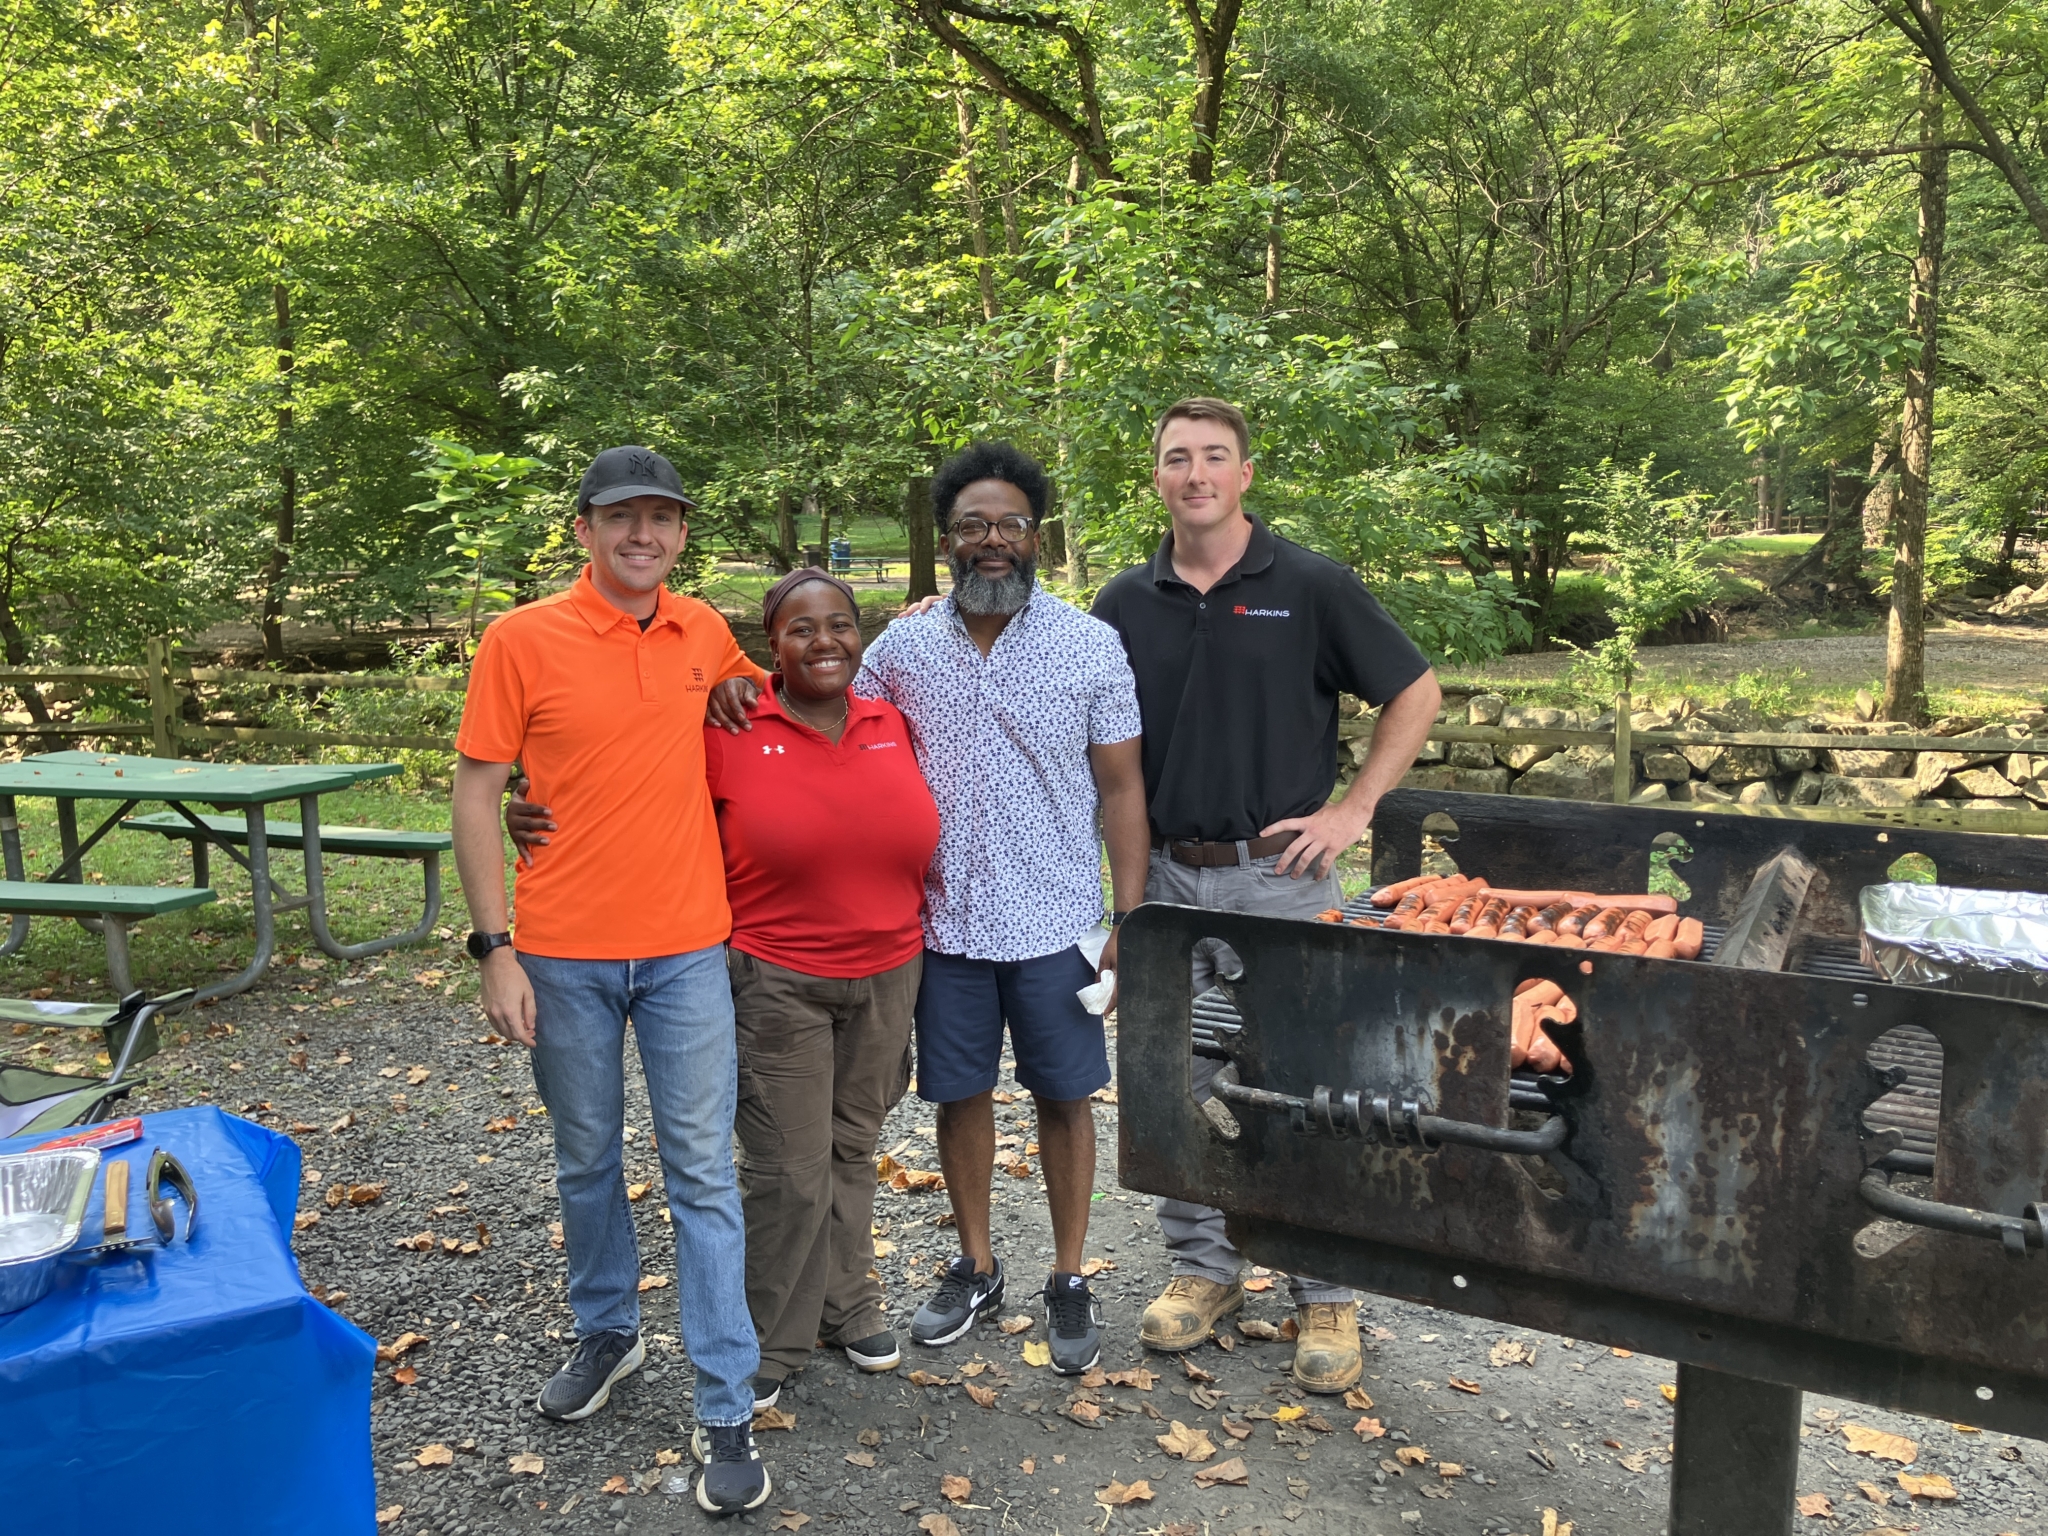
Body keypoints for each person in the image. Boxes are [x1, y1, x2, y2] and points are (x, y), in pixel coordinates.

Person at [506, 569, 941, 1409]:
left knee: (853, 1144)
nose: (825, 642)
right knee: (787, 1162)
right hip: (775, 972)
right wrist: (527, 806)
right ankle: (770, 1335)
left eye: (842, 625)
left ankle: (847, 1304)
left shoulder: (893, 720)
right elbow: (623, 789)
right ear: (768, 648)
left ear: (864, 634)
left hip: (890, 965)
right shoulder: (731, 724)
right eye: (802, 629)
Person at [1091, 398, 1441, 1395]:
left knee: (1302, 1080)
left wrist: (1353, 810)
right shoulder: (1124, 601)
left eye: (1212, 457)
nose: (1193, 473)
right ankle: (1205, 1269)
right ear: (1155, 476)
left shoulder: (1309, 585)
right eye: (1174, 458)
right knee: (1180, 1079)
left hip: (1279, 876)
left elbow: (1413, 692)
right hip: (1163, 876)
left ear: (1244, 473)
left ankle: (1322, 1288)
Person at [449, 444, 775, 1516]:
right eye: (621, 518)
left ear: (681, 534)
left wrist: (739, 683)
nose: (644, 536)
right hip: (561, 952)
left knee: (701, 1176)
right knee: (584, 1157)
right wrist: (493, 945)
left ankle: (724, 1400)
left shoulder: (705, 633)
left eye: (663, 519)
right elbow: (479, 785)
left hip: (686, 947)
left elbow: (781, 704)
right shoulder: (520, 637)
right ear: (583, 529)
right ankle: (609, 1332)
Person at [858, 441, 1150, 1376]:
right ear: (947, 540)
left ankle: (1068, 1275)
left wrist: (1129, 920)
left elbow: (1123, 790)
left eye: (1011, 525)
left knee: (1066, 1097)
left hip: (1059, 921)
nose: (993, 541)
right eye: (974, 525)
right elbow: (834, 734)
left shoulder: (1090, 644)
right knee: (960, 1093)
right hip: (942, 921)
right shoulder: (899, 648)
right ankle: (977, 1266)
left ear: (1036, 535)